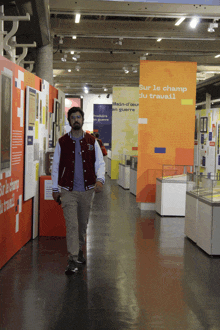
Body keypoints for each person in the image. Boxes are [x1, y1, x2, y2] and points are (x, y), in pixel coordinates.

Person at [52, 107, 105, 275]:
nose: (76, 120)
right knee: (72, 225)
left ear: (82, 120)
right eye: (73, 117)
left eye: (79, 117)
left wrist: (100, 179)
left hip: (87, 190)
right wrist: (55, 187)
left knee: (82, 225)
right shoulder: (62, 142)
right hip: (68, 191)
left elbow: (100, 163)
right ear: (69, 121)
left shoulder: (92, 141)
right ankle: (73, 258)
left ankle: (79, 249)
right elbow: (55, 166)